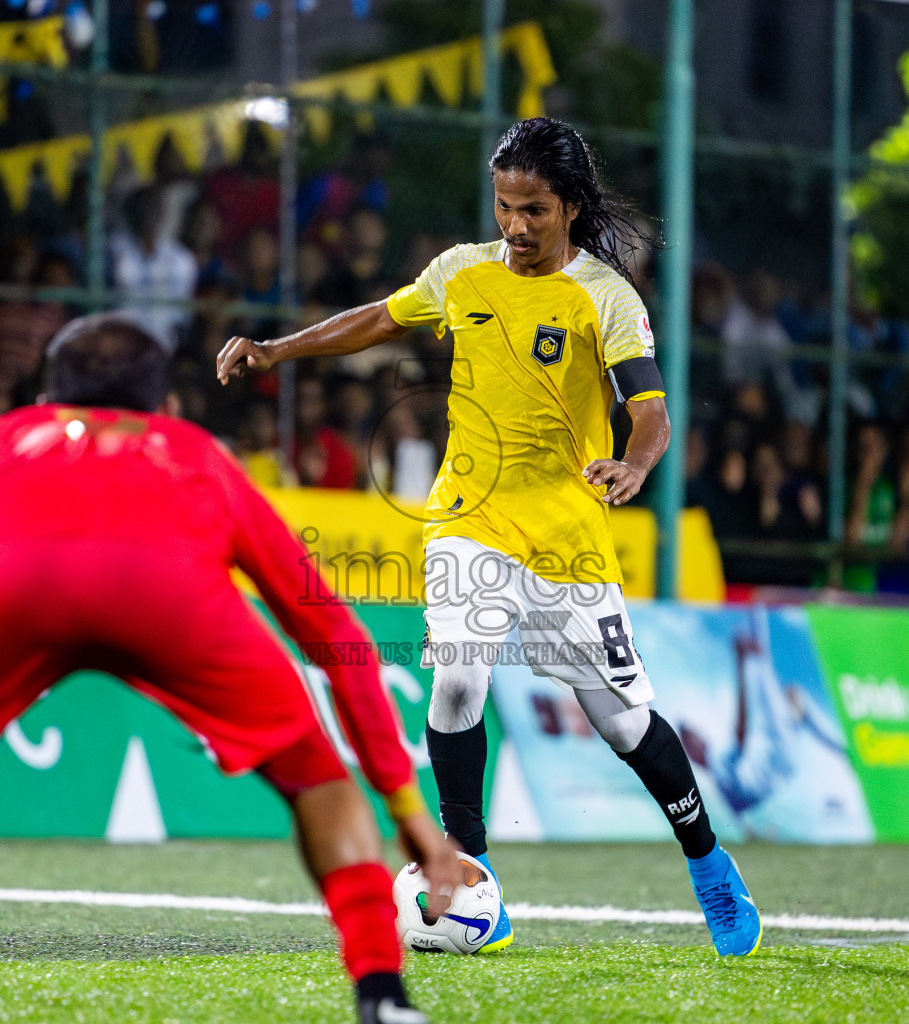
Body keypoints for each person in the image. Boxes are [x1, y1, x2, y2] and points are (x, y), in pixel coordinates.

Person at [0, 315, 459, 1024]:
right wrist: (407, 809)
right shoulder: (198, 454)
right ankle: (382, 997)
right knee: (317, 776)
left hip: (5, 588)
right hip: (168, 593)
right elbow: (329, 628)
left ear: (42, 398)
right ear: (164, 403)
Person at [218, 117, 763, 957]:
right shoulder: (462, 270)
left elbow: (649, 411)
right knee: (459, 682)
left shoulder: (607, 299)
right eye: (505, 206)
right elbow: (379, 318)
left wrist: (634, 465)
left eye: (534, 210)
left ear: (572, 208)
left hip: (568, 540)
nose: (515, 227)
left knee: (623, 724)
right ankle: (469, 872)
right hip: (468, 520)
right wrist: (277, 350)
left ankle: (709, 865)